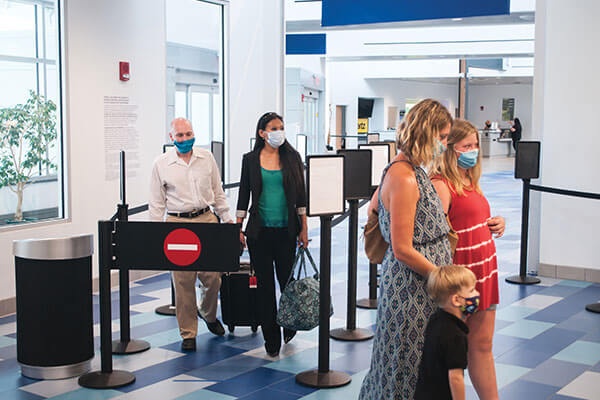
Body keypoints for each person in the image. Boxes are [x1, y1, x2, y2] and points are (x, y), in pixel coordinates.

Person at [359, 99, 454, 399]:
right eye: (442, 137)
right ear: (426, 133)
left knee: (421, 363)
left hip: (423, 287)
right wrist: (441, 276)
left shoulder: (412, 171)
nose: (444, 144)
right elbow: (401, 248)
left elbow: (374, 210)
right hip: (411, 290)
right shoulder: (403, 176)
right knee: (405, 365)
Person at [430, 119, 505, 400]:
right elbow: (436, 237)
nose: (474, 150)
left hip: (484, 273)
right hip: (460, 279)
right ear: (450, 149)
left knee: (483, 345)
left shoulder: (469, 180)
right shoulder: (441, 185)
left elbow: (472, 218)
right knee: (455, 350)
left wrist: (496, 222)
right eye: (467, 146)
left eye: (475, 145)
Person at [149, 117, 232, 351]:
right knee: (183, 281)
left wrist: (227, 220)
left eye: (188, 134)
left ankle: (208, 313)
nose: (185, 139)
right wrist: (155, 235)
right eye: (180, 135)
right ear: (171, 137)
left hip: (206, 219)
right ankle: (188, 332)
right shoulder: (161, 164)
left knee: (213, 276)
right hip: (177, 225)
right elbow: (156, 202)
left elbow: (218, 191)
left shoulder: (207, 158)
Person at [236, 112, 308, 357]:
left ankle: (289, 324)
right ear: (262, 133)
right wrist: (238, 226)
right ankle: (271, 337)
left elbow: (301, 198)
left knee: (287, 283)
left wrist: (304, 229)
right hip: (259, 233)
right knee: (265, 287)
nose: (279, 132)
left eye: (281, 127)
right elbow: (243, 194)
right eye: (273, 128)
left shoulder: (293, 158)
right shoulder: (250, 159)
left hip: (287, 232)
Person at [415, 265, 480, 400]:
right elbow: (456, 377)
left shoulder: (435, 320)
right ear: (456, 300)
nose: (477, 294)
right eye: (472, 290)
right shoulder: (456, 335)